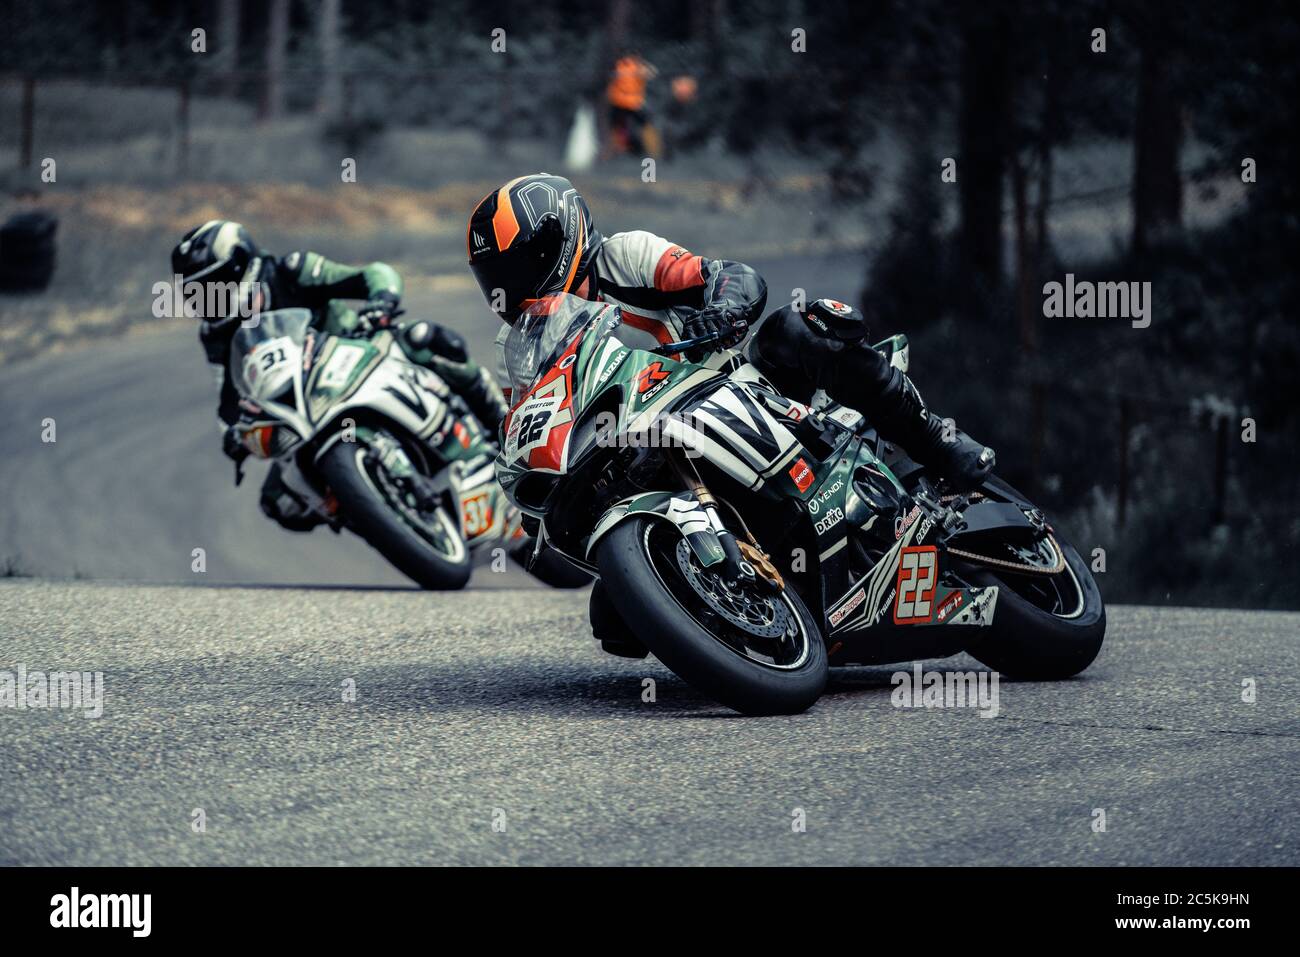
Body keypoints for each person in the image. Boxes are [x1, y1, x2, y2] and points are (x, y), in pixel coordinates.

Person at [466, 174, 994, 651]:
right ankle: (755, 610)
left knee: (797, 329)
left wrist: (723, 308)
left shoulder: (624, 256)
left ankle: (938, 441)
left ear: (559, 244)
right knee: (616, 622)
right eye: (495, 277)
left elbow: (728, 276)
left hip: (733, 389)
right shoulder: (520, 348)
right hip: (646, 457)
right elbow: (532, 425)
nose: (508, 288)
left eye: (518, 267)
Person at [172, 219, 508, 531]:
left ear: (239, 265)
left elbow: (373, 275)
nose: (207, 299)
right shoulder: (215, 335)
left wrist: (382, 301)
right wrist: (233, 434)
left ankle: (502, 420)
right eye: (195, 293)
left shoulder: (291, 270)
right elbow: (228, 394)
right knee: (278, 502)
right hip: (298, 407)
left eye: (211, 285)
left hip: (357, 353)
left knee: (426, 339)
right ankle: (380, 514)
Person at [605, 52, 658, 157]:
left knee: (620, 128)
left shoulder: (630, 65)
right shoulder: (626, 66)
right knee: (620, 128)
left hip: (627, 103)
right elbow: (652, 73)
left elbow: (651, 73)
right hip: (625, 103)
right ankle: (617, 152)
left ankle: (618, 151)